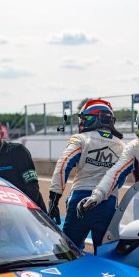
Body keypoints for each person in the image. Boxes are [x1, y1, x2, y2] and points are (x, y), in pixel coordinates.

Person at [48, 99, 125, 252]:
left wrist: (54, 199)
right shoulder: (122, 146)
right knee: (106, 254)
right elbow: (120, 180)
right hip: (108, 203)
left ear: (91, 118)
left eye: (83, 118)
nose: (81, 122)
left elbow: (63, 165)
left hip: (79, 200)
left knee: (69, 252)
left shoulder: (81, 139)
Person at [0, 115, 46, 211]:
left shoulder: (18, 151)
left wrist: (17, 211)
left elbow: (32, 188)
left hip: (32, 214)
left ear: (1, 134)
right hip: (3, 216)